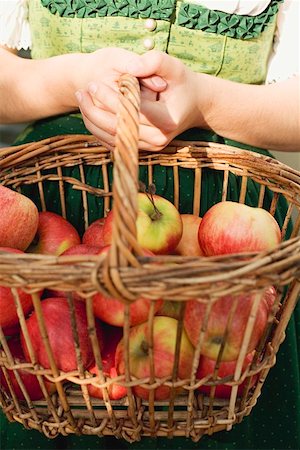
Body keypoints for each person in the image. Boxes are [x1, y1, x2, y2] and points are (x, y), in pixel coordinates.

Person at [0, 1, 299, 449]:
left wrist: (206, 103)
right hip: (65, 202)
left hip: (226, 234)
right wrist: (73, 81)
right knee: (55, 392)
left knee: (228, 396)